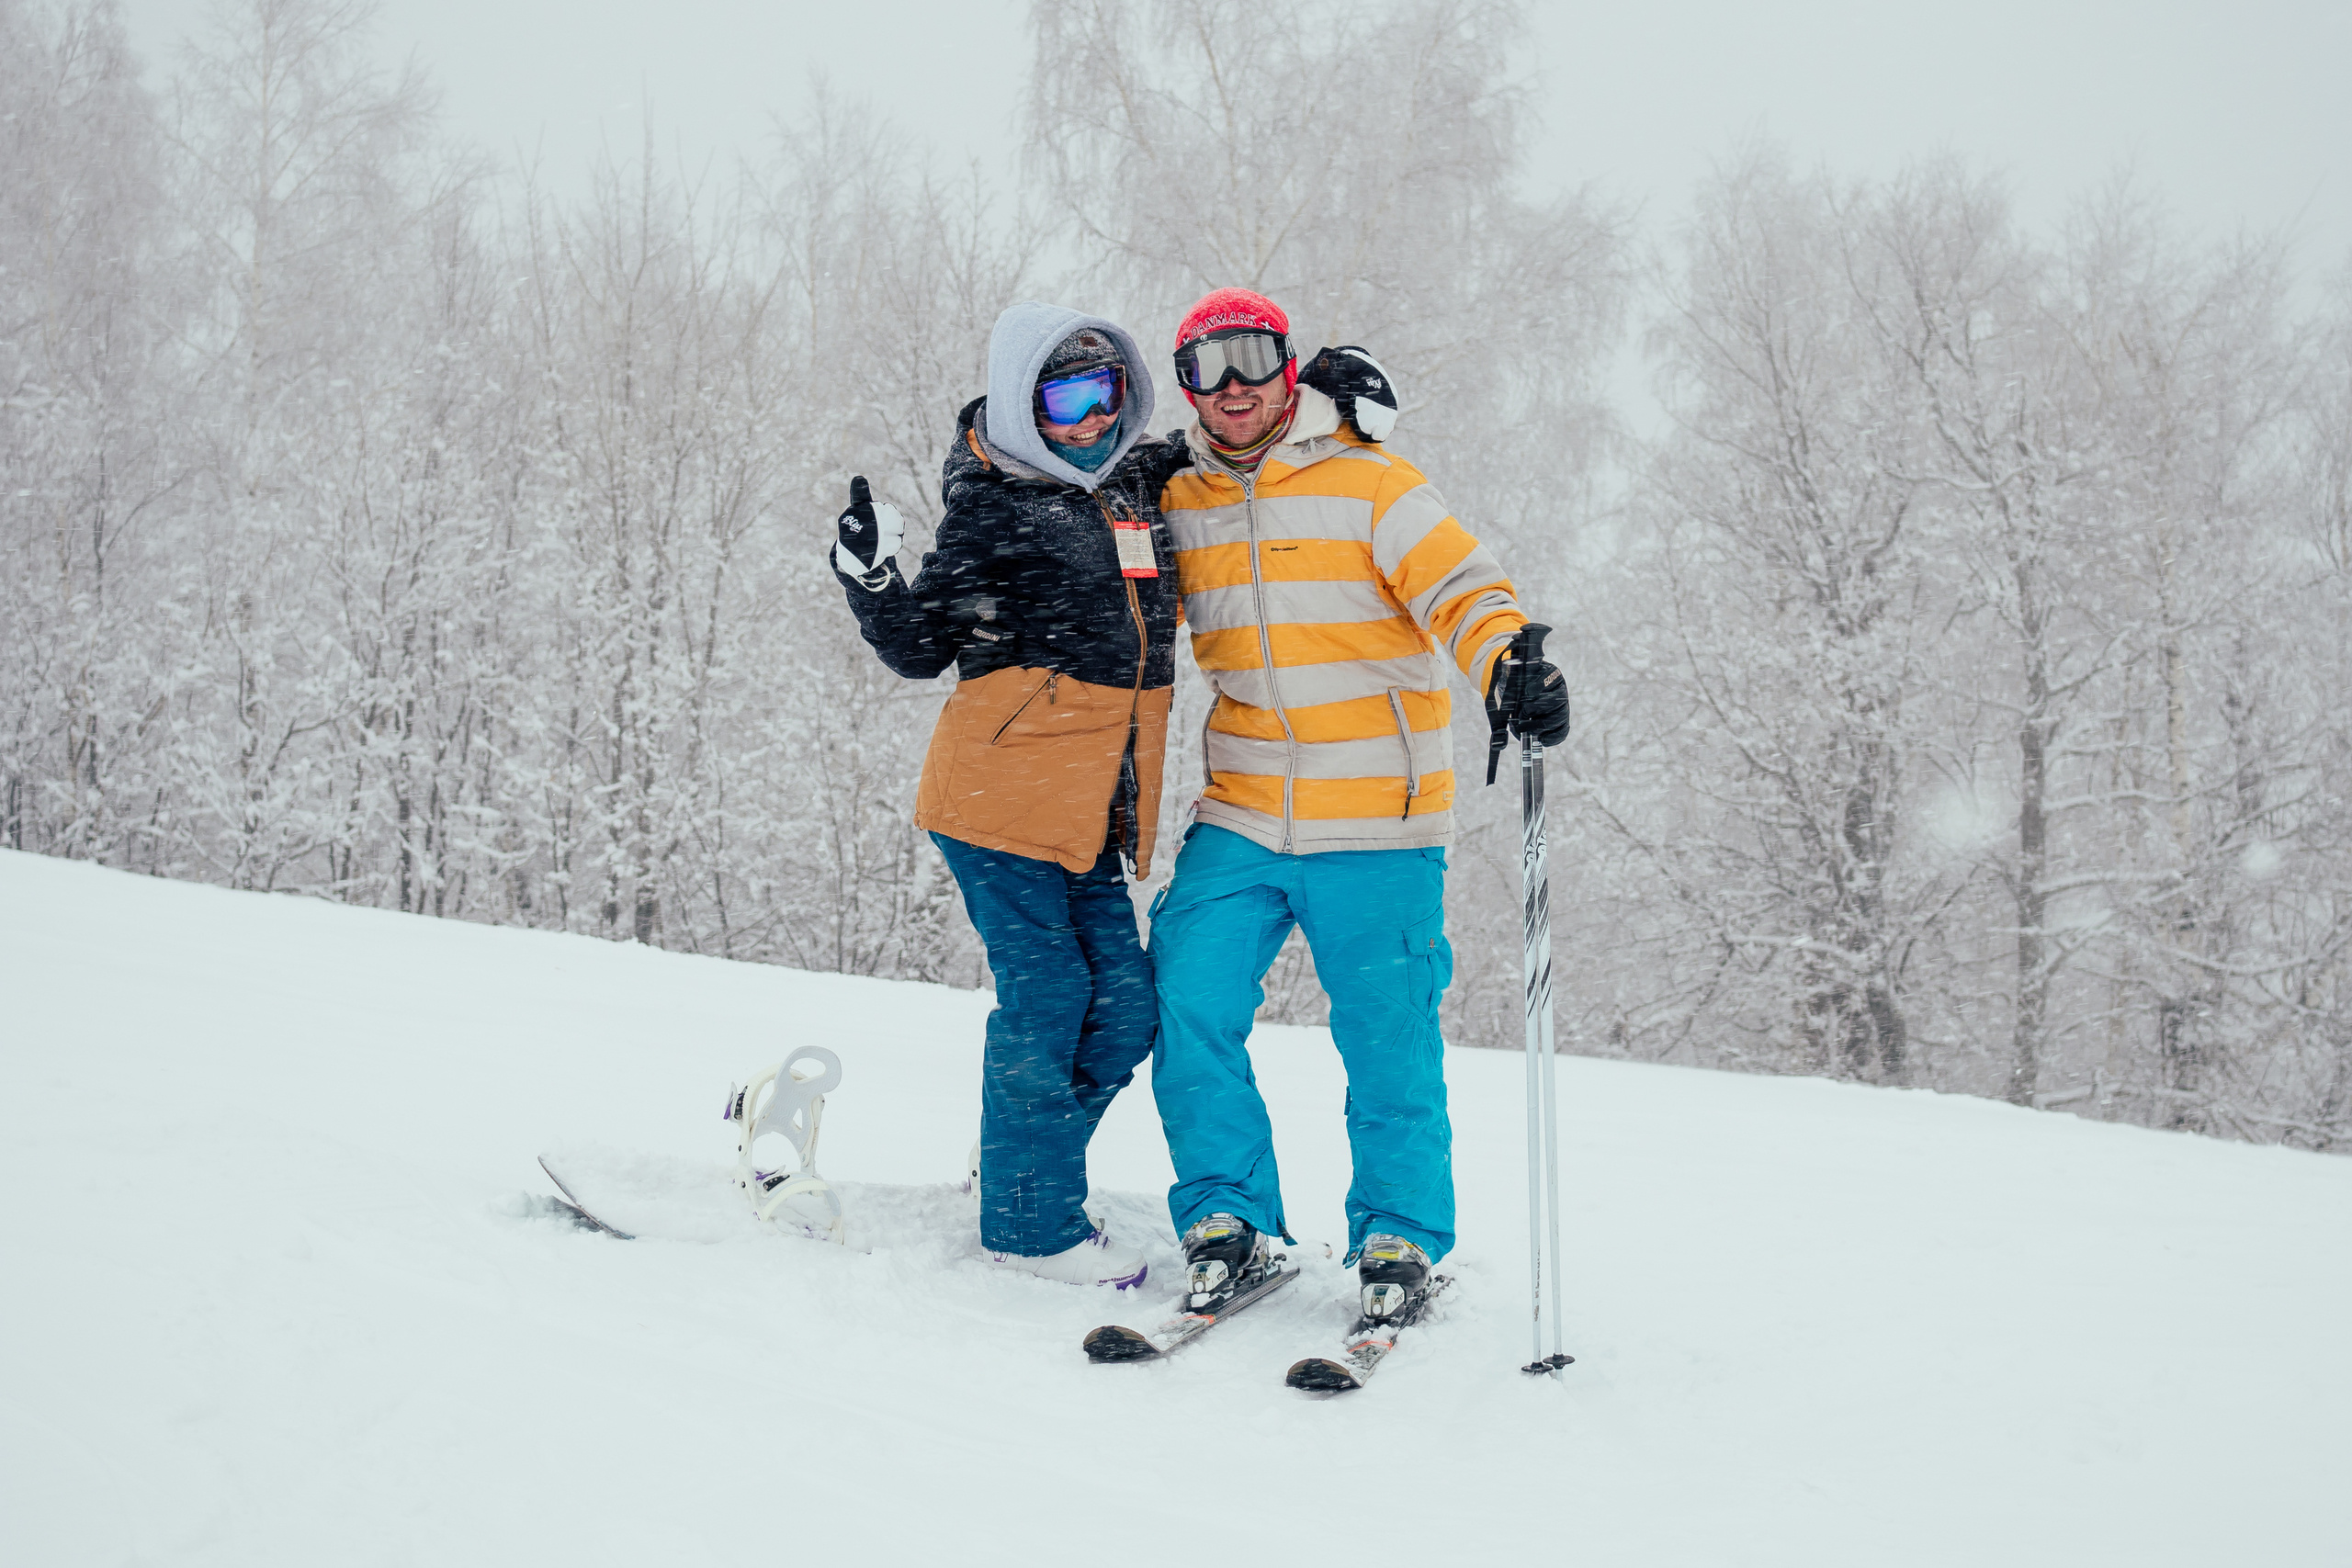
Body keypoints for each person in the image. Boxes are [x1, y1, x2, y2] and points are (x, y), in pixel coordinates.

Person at [1143, 288, 1572, 1316]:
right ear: (1186, 386)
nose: (1233, 386)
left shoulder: (1372, 482)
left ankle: (1398, 1234)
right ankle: (1226, 1217)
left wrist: (1507, 663)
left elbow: (1464, 589)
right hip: (1243, 808)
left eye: (1251, 358)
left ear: (1288, 364)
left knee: (1386, 1035)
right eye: (1206, 367)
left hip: (1377, 814)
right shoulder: (1180, 499)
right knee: (1186, 996)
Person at [831, 300, 1186, 1289]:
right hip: (996, 798)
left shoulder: (1133, 484)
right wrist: (869, 576)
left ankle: (1020, 1165)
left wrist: (1319, 397)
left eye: (1106, 391)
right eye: (1065, 398)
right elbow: (920, 648)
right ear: (1024, 403)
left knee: (1126, 1010)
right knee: (1051, 995)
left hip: (1088, 808)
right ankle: (1028, 1226)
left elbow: (1235, 437)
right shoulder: (995, 506)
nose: (1091, 417)